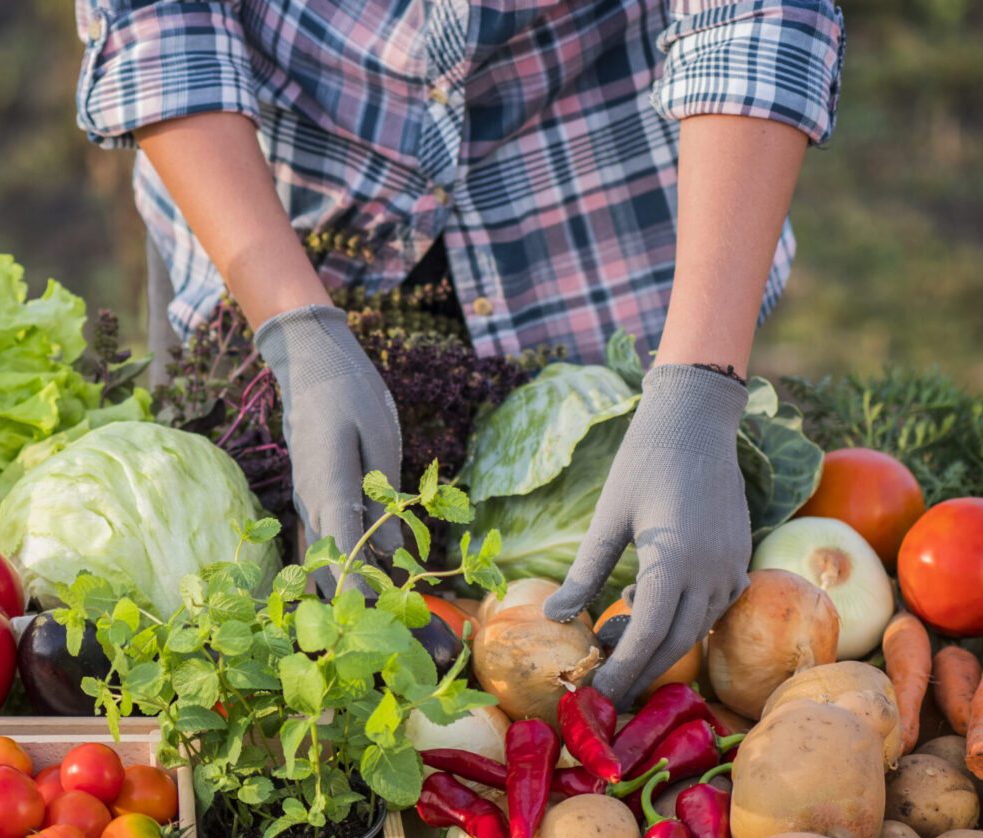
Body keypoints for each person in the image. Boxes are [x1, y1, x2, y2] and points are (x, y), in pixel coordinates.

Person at [73, 0, 843, 706]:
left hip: (598, 220)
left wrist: (698, 386)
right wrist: (291, 329)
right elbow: (161, 25)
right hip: (266, 199)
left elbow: (756, 17)